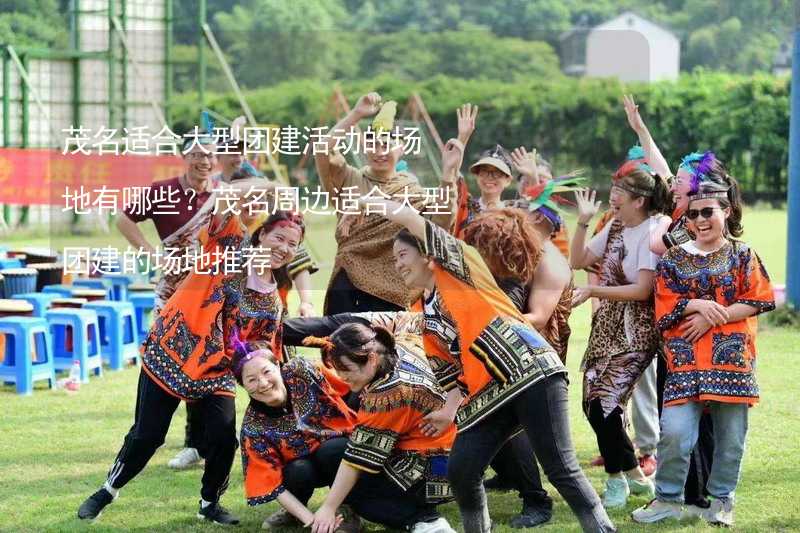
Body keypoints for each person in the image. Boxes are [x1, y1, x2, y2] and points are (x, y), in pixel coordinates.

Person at [360, 139, 614, 532]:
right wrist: (447, 406)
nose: (397, 266)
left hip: (531, 371)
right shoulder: (422, 312)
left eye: (402, 257)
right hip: (488, 393)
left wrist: (375, 202)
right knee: (462, 471)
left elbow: (414, 222)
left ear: (428, 254)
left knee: (561, 468)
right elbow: (450, 375)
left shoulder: (462, 267)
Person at [76, 202, 305, 525]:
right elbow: (224, 206)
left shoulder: (273, 298)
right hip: (172, 355)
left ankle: (209, 503)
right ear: (261, 235)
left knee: (224, 440)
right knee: (148, 435)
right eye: (278, 238)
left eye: (292, 244)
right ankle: (106, 491)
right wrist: (263, 192)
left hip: (215, 372)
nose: (283, 248)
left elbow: (262, 346)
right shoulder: (228, 255)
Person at [632, 163, 775, 527]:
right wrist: (696, 304)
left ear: (725, 211)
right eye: (693, 213)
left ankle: (722, 500)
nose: (700, 219)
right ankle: (666, 499)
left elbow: (759, 299)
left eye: (708, 211)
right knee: (676, 435)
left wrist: (716, 315)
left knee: (730, 439)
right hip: (685, 361)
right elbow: (664, 308)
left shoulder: (744, 255)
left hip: (731, 362)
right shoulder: (675, 259)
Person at [569, 159, 672, 509]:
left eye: (620, 192)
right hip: (607, 325)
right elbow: (578, 259)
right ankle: (633, 472)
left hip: (637, 330)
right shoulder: (615, 225)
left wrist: (596, 292)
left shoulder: (652, 230)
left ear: (639, 200)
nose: (612, 197)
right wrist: (582, 221)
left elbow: (643, 290)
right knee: (590, 403)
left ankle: (616, 481)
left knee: (605, 402)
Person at [302, 321, 458, 533]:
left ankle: (424, 519)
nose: (342, 377)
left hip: (434, 470)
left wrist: (328, 507)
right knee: (336, 451)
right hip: (456, 457)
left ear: (372, 359)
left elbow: (355, 460)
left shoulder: (387, 395)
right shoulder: (400, 347)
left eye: (346, 369)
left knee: (337, 460)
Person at [314, 92, 457, 314]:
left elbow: (441, 224)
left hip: (392, 290)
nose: (379, 151)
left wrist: (448, 176)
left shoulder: (413, 193)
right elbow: (323, 149)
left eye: (386, 145)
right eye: (373, 144)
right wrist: (357, 114)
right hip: (346, 284)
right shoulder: (349, 179)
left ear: (402, 148)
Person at [233, 342, 360, 531]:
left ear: (278, 365)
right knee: (298, 470)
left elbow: (351, 385)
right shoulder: (253, 428)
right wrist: (313, 522)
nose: (263, 383)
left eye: (266, 371)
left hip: (338, 454)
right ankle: (294, 514)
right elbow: (272, 484)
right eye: (251, 380)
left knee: (332, 450)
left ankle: (347, 509)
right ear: (244, 387)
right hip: (302, 470)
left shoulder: (303, 369)